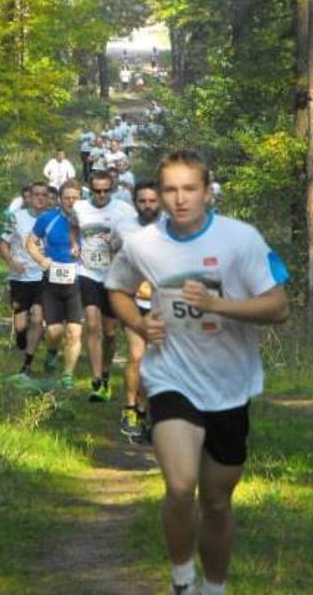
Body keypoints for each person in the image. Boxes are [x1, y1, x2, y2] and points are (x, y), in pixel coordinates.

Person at [107, 150, 290, 595]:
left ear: (207, 193)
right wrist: (137, 323)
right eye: (170, 189)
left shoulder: (241, 240)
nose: (179, 198)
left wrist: (218, 304)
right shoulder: (142, 244)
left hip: (229, 384)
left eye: (189, 189)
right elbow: (117, 288)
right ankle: (182, 580)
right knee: (180, 484)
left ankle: (214, 586)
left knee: (216, 501)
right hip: (172, 377)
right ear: (158, 194)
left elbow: (278, 306)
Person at [74, 171, 136, 402]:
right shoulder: (80, 208)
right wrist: (74, 244)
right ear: (90, 189)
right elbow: (72, 225)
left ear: (112, 189)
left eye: (106, 190)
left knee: (110, 333)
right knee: (91, 323)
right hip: (88, 272)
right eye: (97, 191)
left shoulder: (123, 210)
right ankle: (96, 379)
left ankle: (107, 375)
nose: (101, 195)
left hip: (113, 276)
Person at [110, 179, 162, 441]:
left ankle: (148, 413)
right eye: (142, 201)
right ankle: (130, 409)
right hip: (133, 303)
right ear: (135, 202)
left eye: (152, 201)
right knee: (137, 355)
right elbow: (114, 255)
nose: (148, 206)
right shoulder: (124, 227)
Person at [26, 180, 85, 389]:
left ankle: (68, 374)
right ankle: (52, 352)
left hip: (77, 283)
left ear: (81, 198)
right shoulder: (48, 218)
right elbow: (30, 242)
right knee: (54, 333)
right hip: (52, 282)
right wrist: (41, 261)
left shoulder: (87, 220)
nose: (71, 201)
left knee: (74, 332)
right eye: (67, 197)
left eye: (75, 197)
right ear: (60, 199)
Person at [0, 181, 56, 373]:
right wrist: (12, 262)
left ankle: (27, 364)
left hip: (43, 276)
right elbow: (3, 244)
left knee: (38, 320)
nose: (40, 198)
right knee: (21, 325)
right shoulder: (16, 217)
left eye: (44, 195)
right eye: (36, 194)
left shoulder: (54, 219)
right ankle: (21, 337)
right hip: (20, 277)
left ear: (48, 198)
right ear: (29, 197)